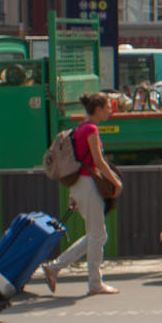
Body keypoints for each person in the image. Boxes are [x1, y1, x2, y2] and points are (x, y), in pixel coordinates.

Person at [42, 92, 124, 296]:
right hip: (88, 184)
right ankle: (95, 284)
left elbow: (76, 162)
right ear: (97, 109)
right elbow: (98, 161)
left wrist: (73, 194)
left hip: (80, 184)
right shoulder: (91, 129)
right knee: (98, 234)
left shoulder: (79, 129)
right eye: (107, 107)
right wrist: (116, 182)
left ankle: (55, 267)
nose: (110, 110)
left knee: (97, 234)